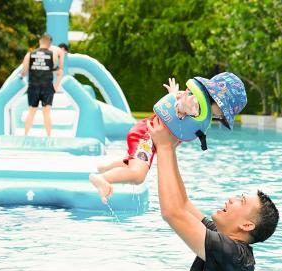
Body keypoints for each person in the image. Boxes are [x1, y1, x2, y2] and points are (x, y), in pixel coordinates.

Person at [147, 115, 279, 271]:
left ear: (247, 225)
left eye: (240, 201)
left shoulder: (233, 254)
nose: (231, 199)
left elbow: (171, 212)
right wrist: (171, 148)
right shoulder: (223, 238)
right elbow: (183, 205)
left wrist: (164, 147)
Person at [89, 72, 245, 203]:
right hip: (147, 135)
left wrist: (174, 95)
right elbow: (181, 108)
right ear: (218, 101)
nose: (221, 116)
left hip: (147, 133)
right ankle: (103, 179)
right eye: (224, 112)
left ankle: (107, 167)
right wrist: (183, 106)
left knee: (136, 162)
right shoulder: (195, 104)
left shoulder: (197, 103)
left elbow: (177, 109)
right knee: (138, 175)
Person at [21, 34, 63, 137]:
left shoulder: (29, 54)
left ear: (40, 42)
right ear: (49, 44)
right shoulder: (52, 54)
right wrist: (56, 86)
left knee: (31, 112)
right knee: (46, 114)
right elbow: (58, 72)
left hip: (33, 86)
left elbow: (24, 72)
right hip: (47, 87)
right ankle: (48, 137)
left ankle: (25, 135)